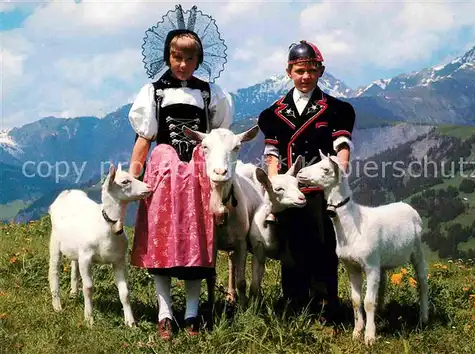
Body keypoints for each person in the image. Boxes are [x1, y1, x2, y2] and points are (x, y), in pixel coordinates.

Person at [127, 5, 233, 340]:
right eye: (176, 57)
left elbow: (219, 139)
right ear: (167, 57)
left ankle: (192, 313)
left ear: (199, 60)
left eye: (189, 58)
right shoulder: (153, 93)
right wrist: (132, 178)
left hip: (200, 174)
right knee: (161, 242)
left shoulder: (210, 93)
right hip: (163, 171)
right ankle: (164, 313)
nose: (183, 64)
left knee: (195, 243)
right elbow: (144, 140)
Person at [257, 40, 355, 321]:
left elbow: (341, 146)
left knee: (324, 248)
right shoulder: (273, 114)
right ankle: (295, 306)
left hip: (322, 190)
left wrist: (340, 173)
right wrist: (274, 187)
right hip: (291, 191)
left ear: (320, 72)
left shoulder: (336, 109)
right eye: (299, 71)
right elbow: (272, 154)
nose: (305, 77)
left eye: (311, 71)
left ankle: (327, 309)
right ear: (289, 71)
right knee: (292, 249)